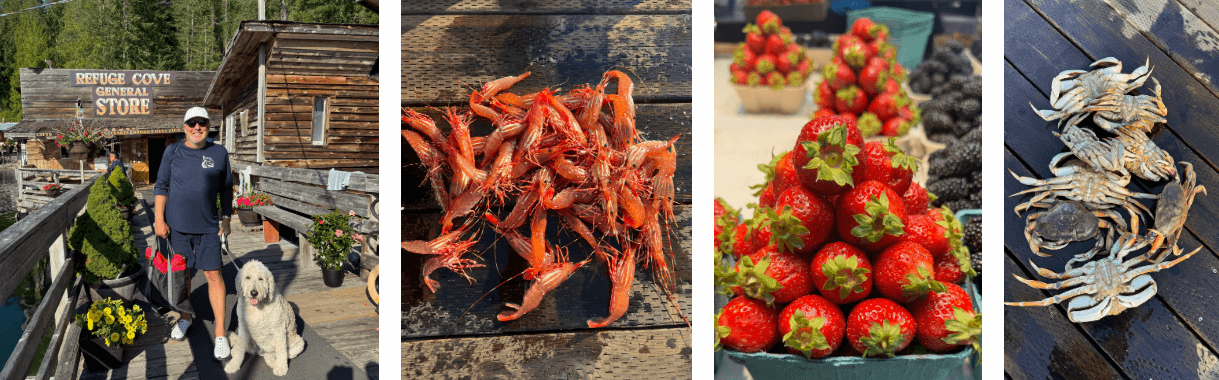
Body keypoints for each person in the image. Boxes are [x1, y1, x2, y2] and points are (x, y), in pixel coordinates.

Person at [154, 106, 234, 360]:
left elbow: (227, 190)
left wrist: (227, 217)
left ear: (208, 126)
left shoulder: (219, 152)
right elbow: (161, 185)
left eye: (201, 123)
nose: (196, 127)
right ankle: (185, 317)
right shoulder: (172, 151)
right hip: (177, 226)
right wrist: (158, 219)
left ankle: (220, 332)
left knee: (213, 274)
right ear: (184, 127)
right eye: (192, 123)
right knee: (182, 274)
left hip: (209, 226)